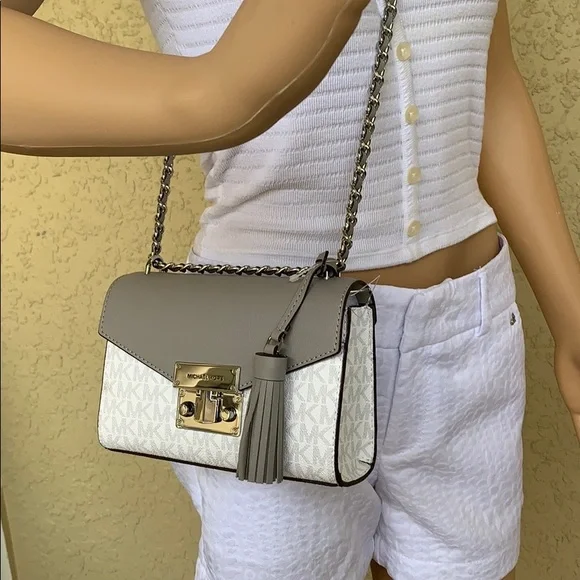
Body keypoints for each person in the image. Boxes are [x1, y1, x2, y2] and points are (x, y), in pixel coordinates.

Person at [2, 0, 579, 578]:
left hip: (465, 332)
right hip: (258, 352)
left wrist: (572, 320)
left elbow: (489, 75)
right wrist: (208, 94)